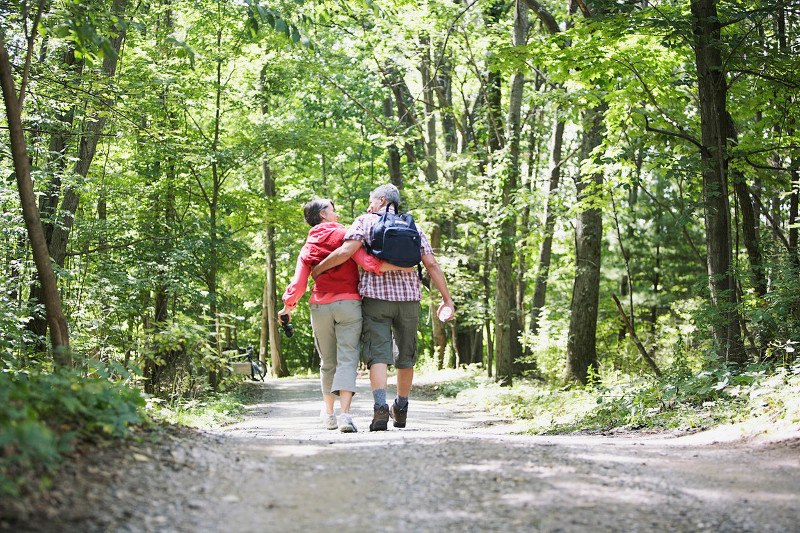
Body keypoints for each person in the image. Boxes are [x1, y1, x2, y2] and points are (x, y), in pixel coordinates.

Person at [312, 184, 455, 431]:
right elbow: (430, 264)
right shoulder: (414, 226)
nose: (369, 204)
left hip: (375, 299)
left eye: (371, 199)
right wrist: (447, 299)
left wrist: (318, 269)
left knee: (378, 354)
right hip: (409, 299)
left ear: (380, 199)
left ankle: (380, 407)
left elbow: (346, 252)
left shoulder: (365, 221)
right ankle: (401, 408)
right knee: (406, 355)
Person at [278, 198, 410, 433]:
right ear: (322, 215)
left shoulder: (308, 245)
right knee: (347, 359)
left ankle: (328, 414)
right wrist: (403, 266)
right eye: (333, 210)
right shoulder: (347, 235)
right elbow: (369, 264)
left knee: (327, 362)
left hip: (320, 305)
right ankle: (345, 416)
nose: (337, 214)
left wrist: (287, 307)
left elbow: (298, 284)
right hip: (349, 303)